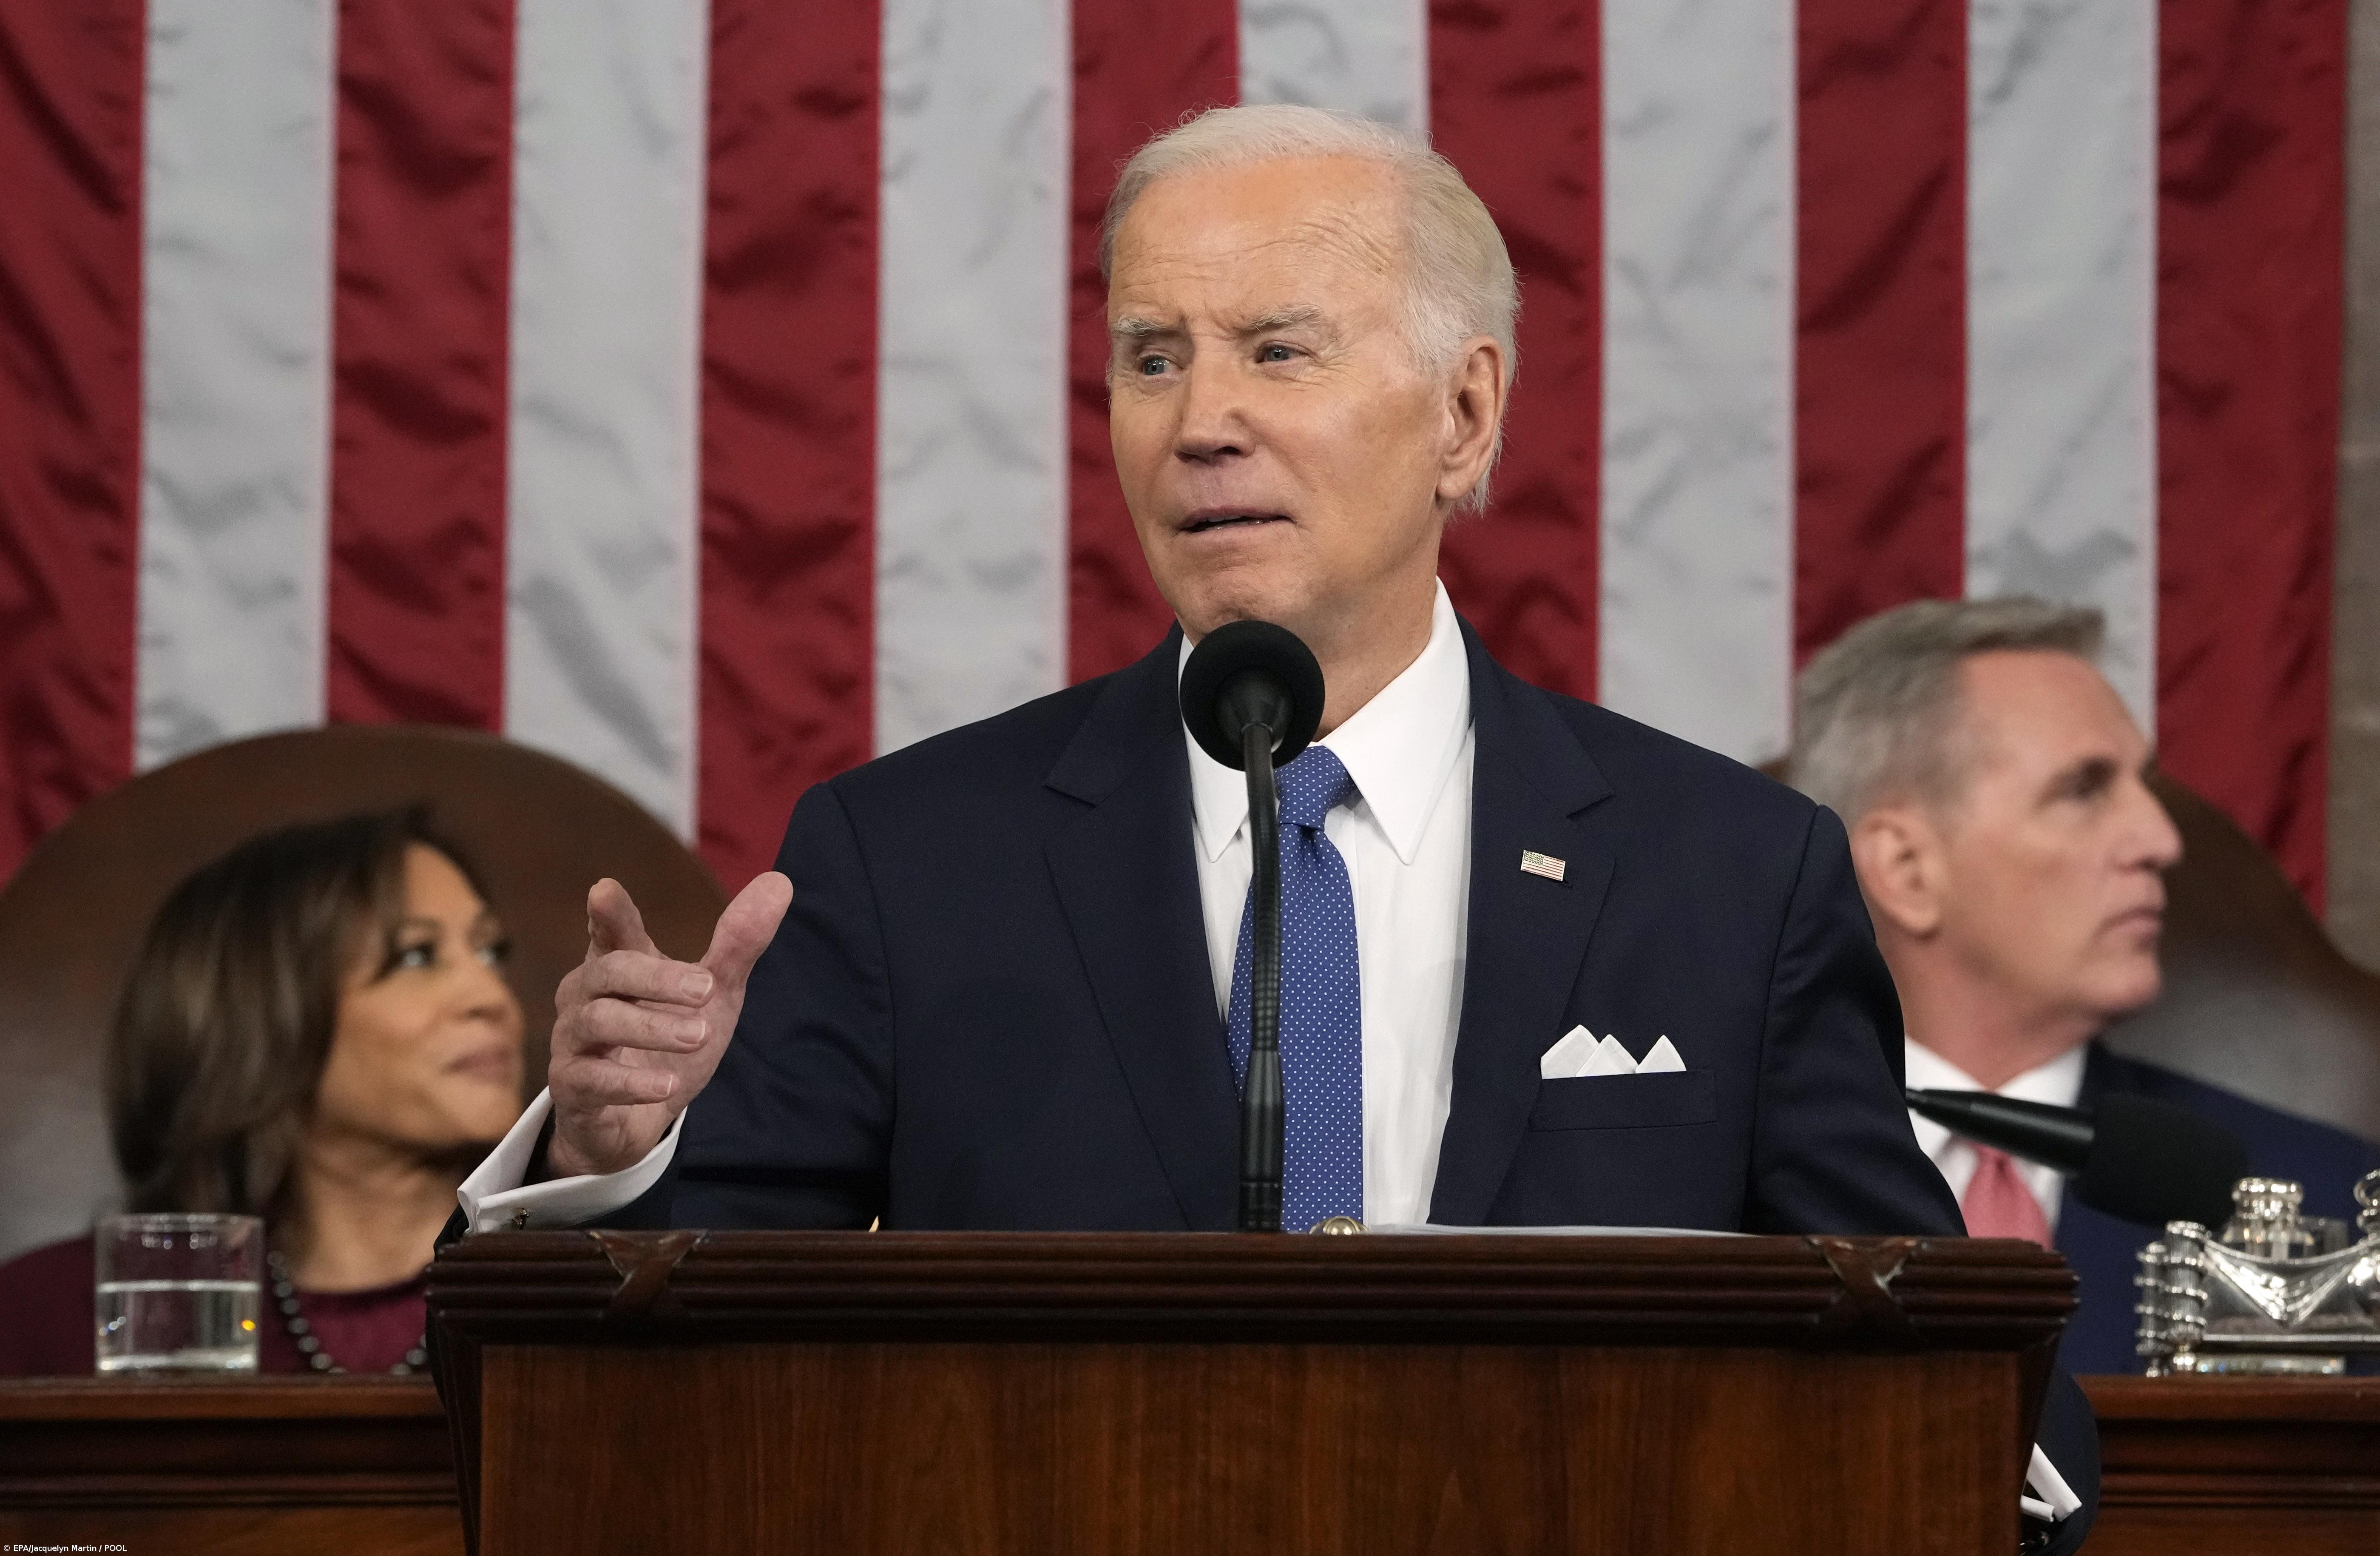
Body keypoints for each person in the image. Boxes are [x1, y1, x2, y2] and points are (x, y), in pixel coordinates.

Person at [455, 106, 2093, 1542]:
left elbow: (1961, 1381)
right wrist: (615, 1164)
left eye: (1276, 349)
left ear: (1461, 416)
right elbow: (663, 1394)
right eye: (1150, 356)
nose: (1197, 420)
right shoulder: (908, 857)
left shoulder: (1728, 873)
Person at [1789, 597, 2380, 1374]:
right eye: (2083, 789)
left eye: (2142, 786)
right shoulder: (1712, 1189)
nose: (2161, 840)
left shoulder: (2328, 1206)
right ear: (1906, 870)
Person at [0, 808, 527, 1376]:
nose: (490, 996)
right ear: (260, 1013)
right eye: (417, 956)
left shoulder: (582, 1292)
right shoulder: (47, 1317)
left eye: (489, 952)